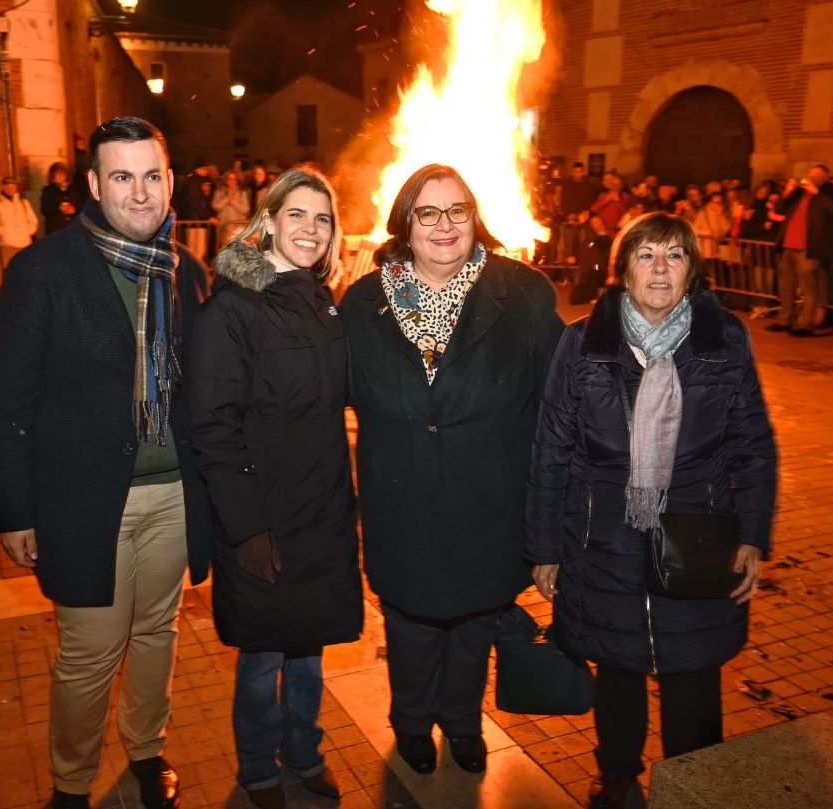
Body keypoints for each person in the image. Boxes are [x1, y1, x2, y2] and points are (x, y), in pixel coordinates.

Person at [0, 116, 212, 809]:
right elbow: (3, 401)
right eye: (121, 176)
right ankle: (72, 783)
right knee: (88, 654)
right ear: (93, 185)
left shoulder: (186, 268)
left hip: (172, 492)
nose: (138, 193)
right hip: (84, 501)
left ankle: (146, 749)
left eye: (150, 176)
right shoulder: (44, 270)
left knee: (156, 633)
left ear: (169, 181)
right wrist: (13, 508)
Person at [526, 212, 777, 809]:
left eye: (674, 255)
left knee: (693, 673)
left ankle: (695, 783)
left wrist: (754, 536)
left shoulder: (723, 341)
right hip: (601, 541)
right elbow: (551, 451)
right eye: (646, 255)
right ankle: (616, 777)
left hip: (698, 538)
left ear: (693, 270)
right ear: (622, 271)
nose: (659, 268)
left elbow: (753, 444)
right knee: (617, 666)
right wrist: (543, 549)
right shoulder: (583, 343)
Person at [340, 164, 563, 776]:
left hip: (489, 502)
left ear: (475, 219)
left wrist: (559, 518)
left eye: (457, 211)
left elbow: (559, 407)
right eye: (428, 212)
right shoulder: (365, 301)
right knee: (410, 623)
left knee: (475, 624)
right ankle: (411, 721)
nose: (444, 225)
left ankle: (462, 721)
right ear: (404, 225)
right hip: (401, 498)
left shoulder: (521, 293)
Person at [188, 167, 361, 809]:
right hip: (261, 513)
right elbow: (212, 425)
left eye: (322, 218)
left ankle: (305, 750)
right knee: (263, 655)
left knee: (308, 645)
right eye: (297, 215)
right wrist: (246, 528)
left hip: (318, 508)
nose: (310, 229)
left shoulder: (322, 303)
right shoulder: (236, 304)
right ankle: (259, 766)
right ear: (268, 222)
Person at [768, 164, 833, 336]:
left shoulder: (829, 193)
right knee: (786, 286)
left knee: (808, 287)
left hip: (808, 248)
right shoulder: (799, 194)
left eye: (817, 174)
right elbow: (780, 209)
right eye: (811, 173)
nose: (812, 175)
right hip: (788, 245)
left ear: (825, 177)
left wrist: (815, 193)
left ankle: (805, 323)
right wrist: (787, 192)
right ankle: (784, 319)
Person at [0, 176, 38, 272]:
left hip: (24, 244)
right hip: (7, 245)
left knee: (25, 270)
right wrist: (1, 232)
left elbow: (33, 220)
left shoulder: (24, 203)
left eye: (13, 186)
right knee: (10, 271)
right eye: (7, 186)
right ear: (3, 187)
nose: (10, 189)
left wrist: (28, 231)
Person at [211, 170, 250, 244]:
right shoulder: (219, 191)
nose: (232, 181)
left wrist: (233, 201)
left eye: (234, 179)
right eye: (229, 179)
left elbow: (245, 209)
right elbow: (215, 206)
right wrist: (227, 199)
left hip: (238, 227)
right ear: (226, 180)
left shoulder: (242, 192)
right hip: (224, 227)